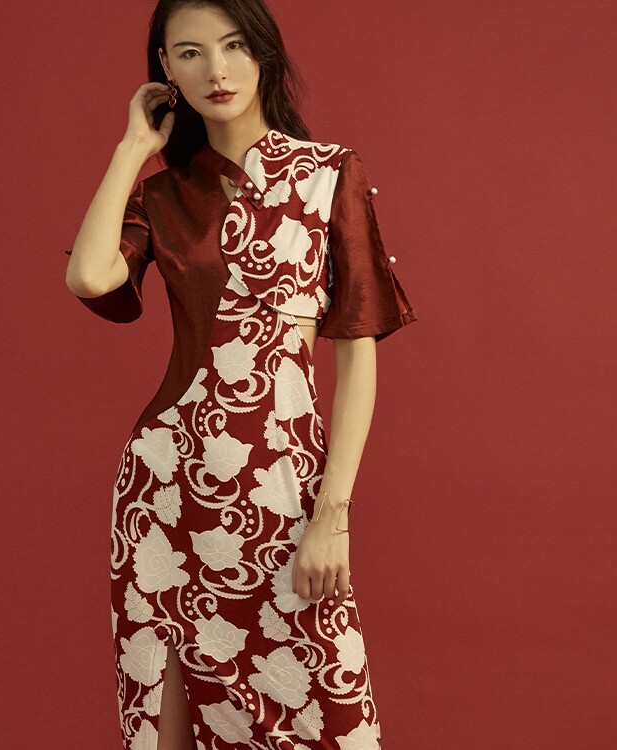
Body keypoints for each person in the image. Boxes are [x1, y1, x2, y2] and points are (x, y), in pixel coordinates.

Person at [64, 1, 417, 747]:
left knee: (330, 716)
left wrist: (332, 515)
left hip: (285, 490)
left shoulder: (328, 175)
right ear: (166, 69)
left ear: (263, 53)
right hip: (166, 494)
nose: (217, 70)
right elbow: (91, 277)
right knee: (167, 723)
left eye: (232, 46)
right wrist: (133, 148)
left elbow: (356, 348)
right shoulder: (163, 194)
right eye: (190, 53)